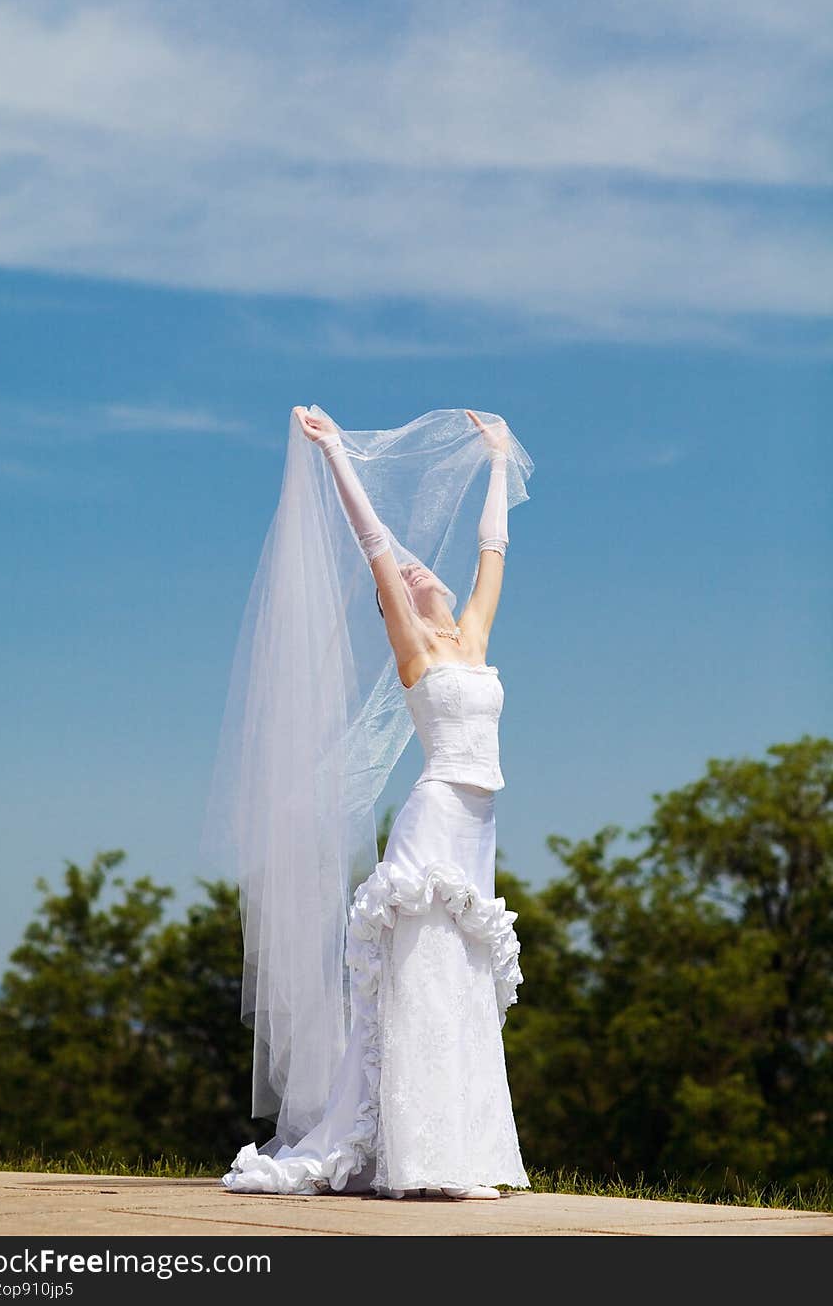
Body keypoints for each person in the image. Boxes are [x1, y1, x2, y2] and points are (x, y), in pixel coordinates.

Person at [219, 405, 531, 1201]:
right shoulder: (416, 648)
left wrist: (497, 460)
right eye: (410, 572)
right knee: (422, 978)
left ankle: (468, 1153)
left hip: (478, 830)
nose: (421, 571)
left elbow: (494, 549)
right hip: (432, 826)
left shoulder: (475, 637)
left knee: (462, 982)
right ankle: (423, 1161)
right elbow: (374, 545)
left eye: (429, 569)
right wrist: (334, 456)